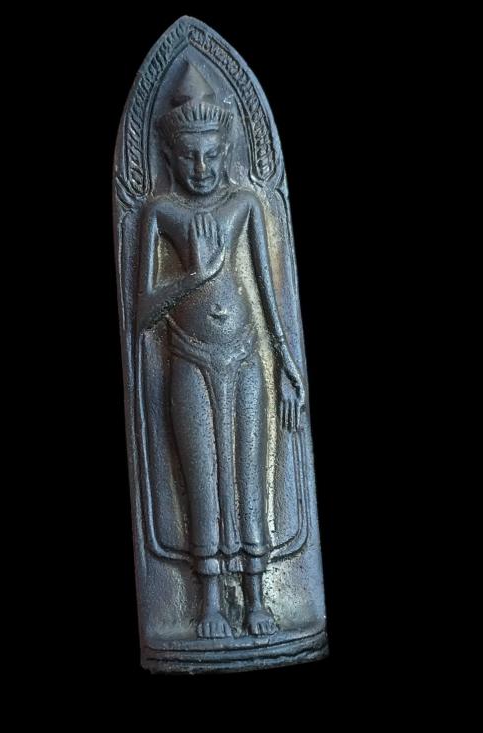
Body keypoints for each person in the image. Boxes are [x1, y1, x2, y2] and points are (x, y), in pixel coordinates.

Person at [137, 63, 304, 638]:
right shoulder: (160, 214)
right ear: (170, 154)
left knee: (249, 475)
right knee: (202, 479)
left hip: (246, 356)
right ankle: (208, 602)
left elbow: (271, 294)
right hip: (188, 357)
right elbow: (140, 314)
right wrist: (195, 277)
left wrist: (288, 366)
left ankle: (257, 598)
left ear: (226, 149)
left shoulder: (245, 205)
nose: (202, 169)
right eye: (189, 157)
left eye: (211, 155)